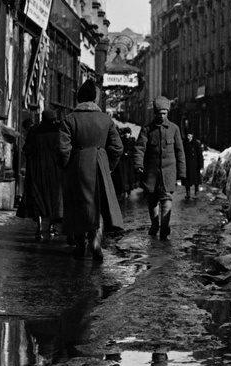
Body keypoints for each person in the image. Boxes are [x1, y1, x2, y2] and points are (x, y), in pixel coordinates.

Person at [57, 79, 124, 260]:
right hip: (100, 165)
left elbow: (63, 149)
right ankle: (96, 240)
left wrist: (66, 167)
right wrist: (108, 166)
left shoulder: (70, 119)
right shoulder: (106, 120)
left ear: (79, 98)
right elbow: (118, 148)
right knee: (98, 206)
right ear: (95, 99)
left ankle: (80, 244)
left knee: (78, 206)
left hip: (77, 166)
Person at [133, 96, 185, 240]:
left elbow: (180, 151)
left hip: (168, 173)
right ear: (154, 113)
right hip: (151, 173)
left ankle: (164, 227)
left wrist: (182, 172)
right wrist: (138, 165)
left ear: (168, 113)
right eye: (159, 113)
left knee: (167, 199)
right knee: (152, 201)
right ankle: (155, 224)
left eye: (164, 113)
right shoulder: (147, 130)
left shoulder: (174, 129)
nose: (162, 116)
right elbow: (139, 149)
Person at [22, 109, 64, 241]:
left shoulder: (34, 132)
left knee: (37, 196)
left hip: (37, 167)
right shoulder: (58, 133)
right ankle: (51, 226)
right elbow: (62, 150)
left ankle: (39, 227)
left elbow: (27, 150)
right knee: (52, 197)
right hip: (54, 168)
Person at [182, 130, 204, 201]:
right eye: (187, 135)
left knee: (196, 179)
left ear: (192, 135)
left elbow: (200, 155)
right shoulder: (184, 143)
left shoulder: (196, 144)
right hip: (187, 164)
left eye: (190, 135)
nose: (188, 137)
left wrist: (201, 165)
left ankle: (196, 189)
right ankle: (187, 193)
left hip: (195, 164)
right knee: (186, 180)